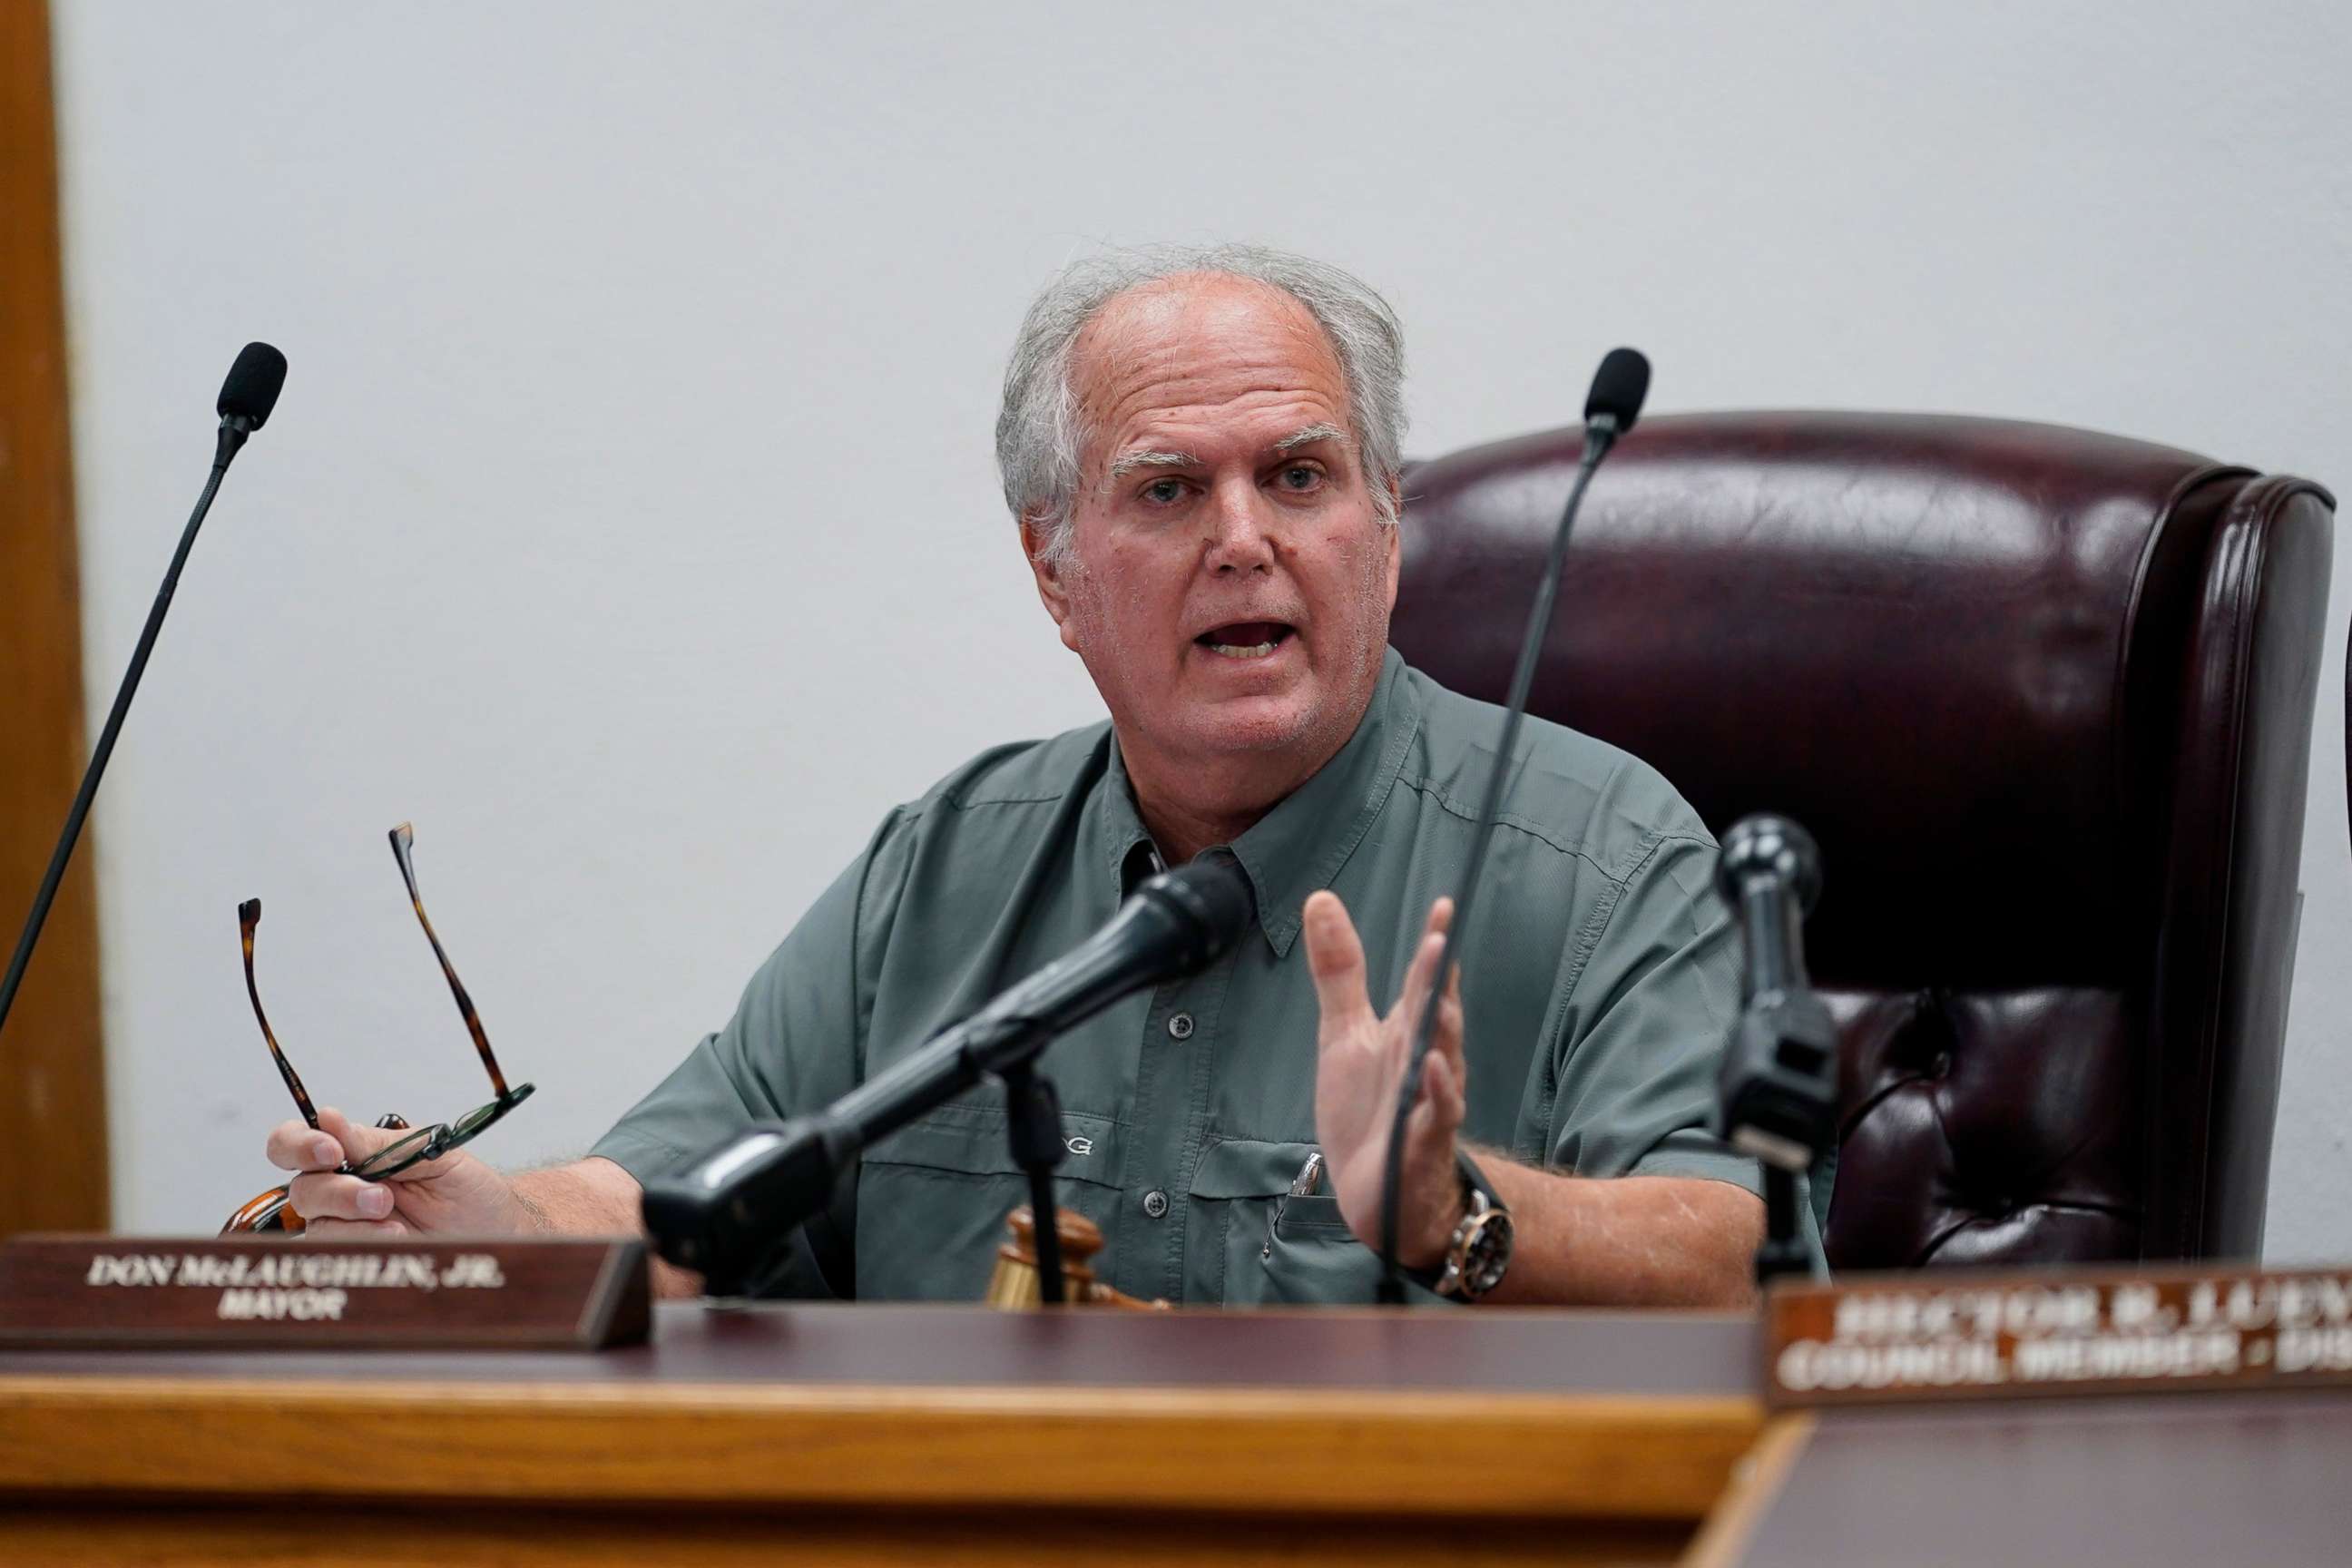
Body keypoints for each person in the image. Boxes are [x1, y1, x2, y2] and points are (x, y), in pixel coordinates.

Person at [268, 244, 1801, 1307]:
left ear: (1386, 531)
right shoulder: (943, 870)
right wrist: (486, 1228)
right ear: (1054, 572)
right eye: (1166, 489)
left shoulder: (1600, 857)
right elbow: (693, 1185)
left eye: (1300, 474)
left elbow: (1741, 1255)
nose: (1245, 537)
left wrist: (1455, 1206)